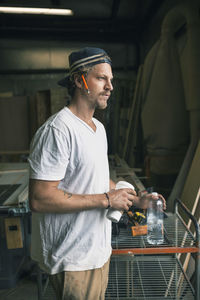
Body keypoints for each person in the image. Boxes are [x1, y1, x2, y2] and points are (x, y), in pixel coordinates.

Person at [28, 47, 166, 300]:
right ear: (80, 81)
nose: (110, 86)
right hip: (72, 257)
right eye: (101, 78)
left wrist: (136, 200)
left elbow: (97, 177)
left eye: (110, 79)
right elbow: (39, 198)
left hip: (97, 251)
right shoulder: (58, 130)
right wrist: (106, 200)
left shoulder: (97, 128)